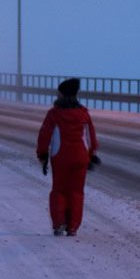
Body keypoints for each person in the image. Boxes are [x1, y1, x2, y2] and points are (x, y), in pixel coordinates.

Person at [36, 78, 100, 237]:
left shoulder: (54, 114)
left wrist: (42, 155)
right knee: (77, 192)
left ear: (62, 94)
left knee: (59, 190)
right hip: (80, 158)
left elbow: (44, 136)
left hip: (61, 157)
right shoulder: (84, 114)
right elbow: (91, 138)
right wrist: (91, 156)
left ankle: (59, 223)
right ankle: (73, 227)